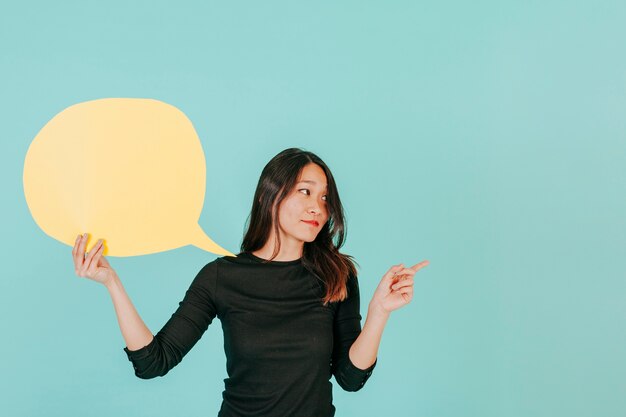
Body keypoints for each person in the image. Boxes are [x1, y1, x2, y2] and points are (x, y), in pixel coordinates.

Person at [71, 147, 429, 417]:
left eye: (324, 198)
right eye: (305, 191)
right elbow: (153, 362)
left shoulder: (337, 275)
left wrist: (380, 311)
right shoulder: (221, 277)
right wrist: (112, 283)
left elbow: (351, 379)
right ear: (269, 194)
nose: (317, 207)